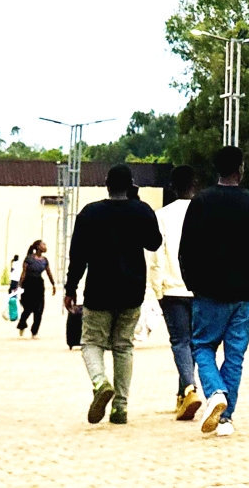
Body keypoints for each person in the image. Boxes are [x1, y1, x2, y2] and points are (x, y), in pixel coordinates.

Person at [179, 146, 249, 437]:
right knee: (235, 356)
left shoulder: (201, 202)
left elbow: (187, 249)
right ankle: (226, 418)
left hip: (208, 292)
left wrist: (192, 283)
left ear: (216, 169)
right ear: (240, 169)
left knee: (203, 346)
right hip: (244, 294)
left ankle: (215, 392)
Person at [64, 164, 162, 425]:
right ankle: (120, 407)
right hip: (132, 291)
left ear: (106, 184)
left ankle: (100, 383)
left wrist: (70, 288)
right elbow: (154, 242)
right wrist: (137, 201)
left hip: (99, 290)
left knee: (91, 342)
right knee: (123, 346)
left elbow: (78, 256)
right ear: (131, 185)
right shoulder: (141, 211)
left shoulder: (90, 213)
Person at [147, 165, 202, 422]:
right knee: (194, 343)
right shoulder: (205, 211)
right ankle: (183, 393)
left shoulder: (161, 216)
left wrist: (158, 288)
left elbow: (155, 256)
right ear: (195, 184)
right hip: (201, 289)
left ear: (172, 186)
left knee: (180, 342)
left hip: (172, 289)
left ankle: (189, 388)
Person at [17, 240, 56, 338]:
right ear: (38, 247)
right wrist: (19, 285)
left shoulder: (44, 260)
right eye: (43, 244)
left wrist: (53, 284)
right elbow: (24, 273)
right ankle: (22, 324)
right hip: (29, 284)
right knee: (28, 308)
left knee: (39, 309)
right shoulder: (29, 259)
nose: (45, 246)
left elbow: (49, 272)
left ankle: (34, 331)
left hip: (39, 284)